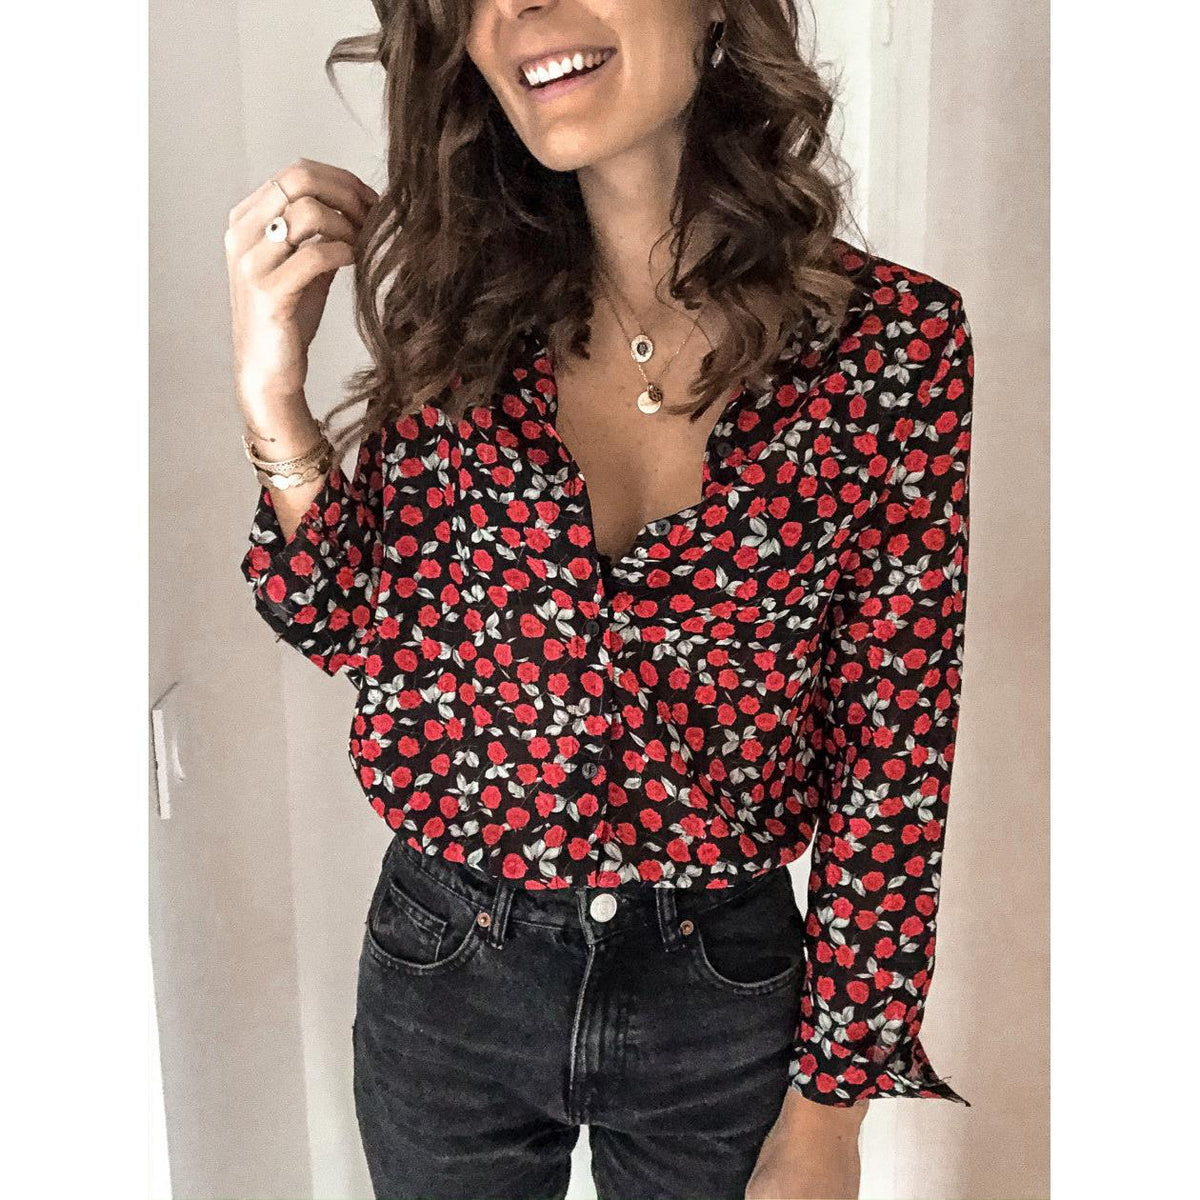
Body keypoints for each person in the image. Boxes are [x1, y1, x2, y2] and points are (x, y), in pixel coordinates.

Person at [224, 3, 975, 1198]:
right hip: (447, 967)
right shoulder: (460, 313)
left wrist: (833, 1105)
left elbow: (894, 749)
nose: (520, 8)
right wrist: (275, 396)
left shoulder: (893, 349)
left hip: (718, 989)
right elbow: (352, 624)